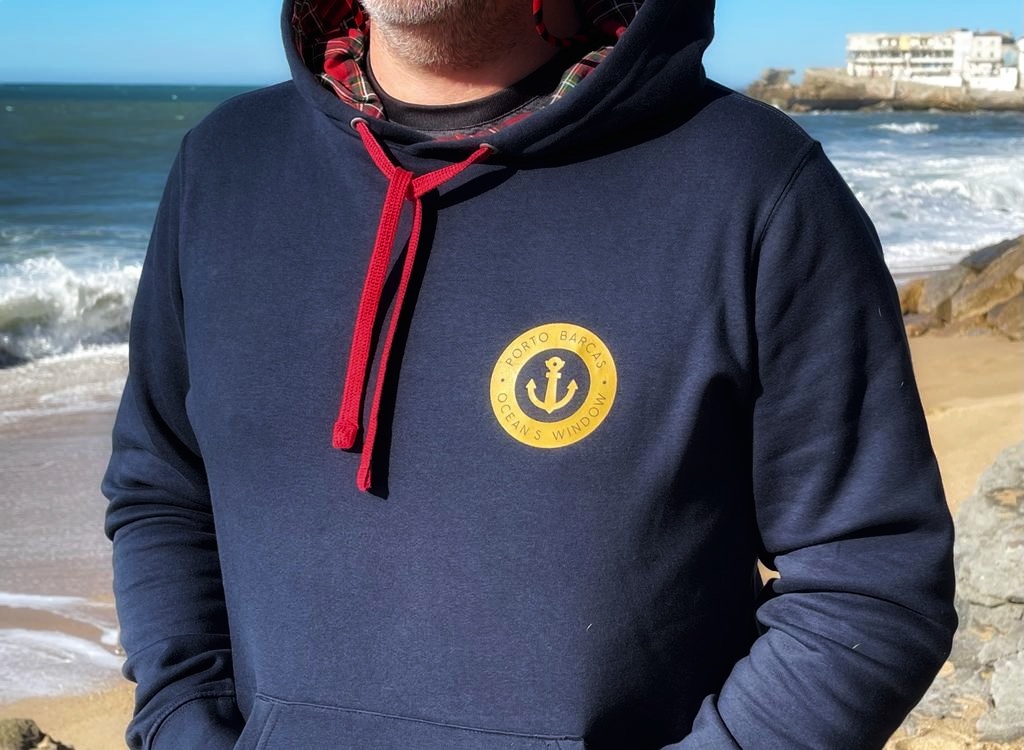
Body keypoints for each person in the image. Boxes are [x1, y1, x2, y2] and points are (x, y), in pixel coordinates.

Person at [102, 0, 957, 747]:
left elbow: (871, 582)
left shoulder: (753, 185)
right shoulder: (224, 166)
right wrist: (181, 717)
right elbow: (162, 488)